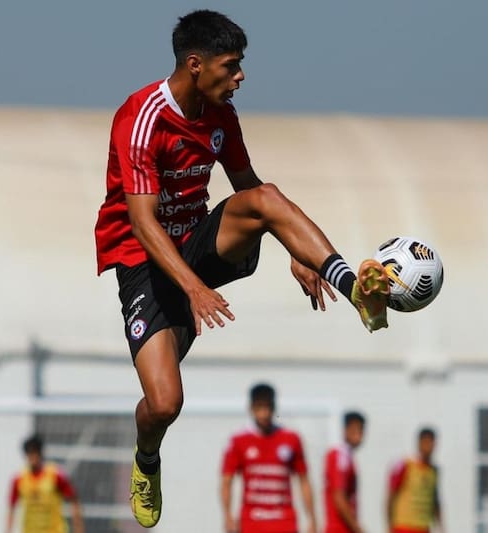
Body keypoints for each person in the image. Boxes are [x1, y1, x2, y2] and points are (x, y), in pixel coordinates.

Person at [93, 9, 390, 528]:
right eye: (230, 67)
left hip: (197, 247)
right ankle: (146, 459)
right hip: (144, 262)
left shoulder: (221, 116)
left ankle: (354, 288)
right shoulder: (141, 119)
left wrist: (296, 250)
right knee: (163, 404)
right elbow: (141, 223)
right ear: (194, 65)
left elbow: (249, 188)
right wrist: (193, 289)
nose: (240, 78)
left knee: (267, 197)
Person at [221, 383, 317, 533]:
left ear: (274, 407)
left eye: (268, 407)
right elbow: (227, 480)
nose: (264, 414)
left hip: (284, 521)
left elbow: (303, 480)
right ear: (251, 408)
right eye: (259, 408)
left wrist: (312, 518)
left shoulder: (291, 439)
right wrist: (227, 515)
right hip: (252, 522)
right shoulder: (239, 441)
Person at [6, 434, 84, 533]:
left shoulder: (55, 475)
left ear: (40, 453)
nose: (32, 457)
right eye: (29, 453)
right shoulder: (19, 479)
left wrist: (79, 529)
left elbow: (74, 501)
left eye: (35, 452)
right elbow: (11, 509)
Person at [386, 428, 443, 533]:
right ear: (419, 443)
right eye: (425, 442)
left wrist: (441, 527)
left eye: (431, 443)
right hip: (404, 527)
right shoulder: (405, 465)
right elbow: (390, 496)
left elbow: (435, 501)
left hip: (423, 527)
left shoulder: (433, 471)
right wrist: (389, 525)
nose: (428, 447)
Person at [323, 411, 367, 533]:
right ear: (345, 430)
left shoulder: (347, 456)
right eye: (354, 430)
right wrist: (357, 528)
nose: (358, 435)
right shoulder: (340, 455)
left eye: (360, 431)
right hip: (338, 528)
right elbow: (339, 496)